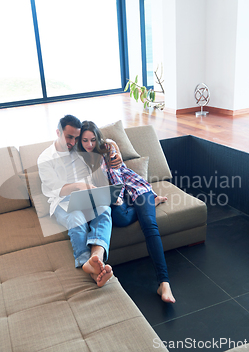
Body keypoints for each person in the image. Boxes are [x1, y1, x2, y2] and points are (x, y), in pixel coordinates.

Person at [78, 121, 175, 303]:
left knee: (149, 225)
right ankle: (152, 205)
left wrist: (112, 147)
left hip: (135, 188)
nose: (89, 144)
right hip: (118, 198)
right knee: (120, 218)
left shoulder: (107, 149)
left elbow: (117, 174)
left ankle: (164, 282)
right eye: (85, 140)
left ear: (98, 138)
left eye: (93, 139)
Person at [37, 115, 115, 287]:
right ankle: (91, 268)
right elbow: (56, 190)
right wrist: (79, 186)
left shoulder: (78, 153)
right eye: (69, 137)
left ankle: (96, 258)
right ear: (58, 132)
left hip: (85, 197)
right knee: (76, 218)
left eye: (76, 138)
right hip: (62, 202)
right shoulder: (45, 159)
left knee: (104, 209)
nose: (73, 142)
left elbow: (100, 145)